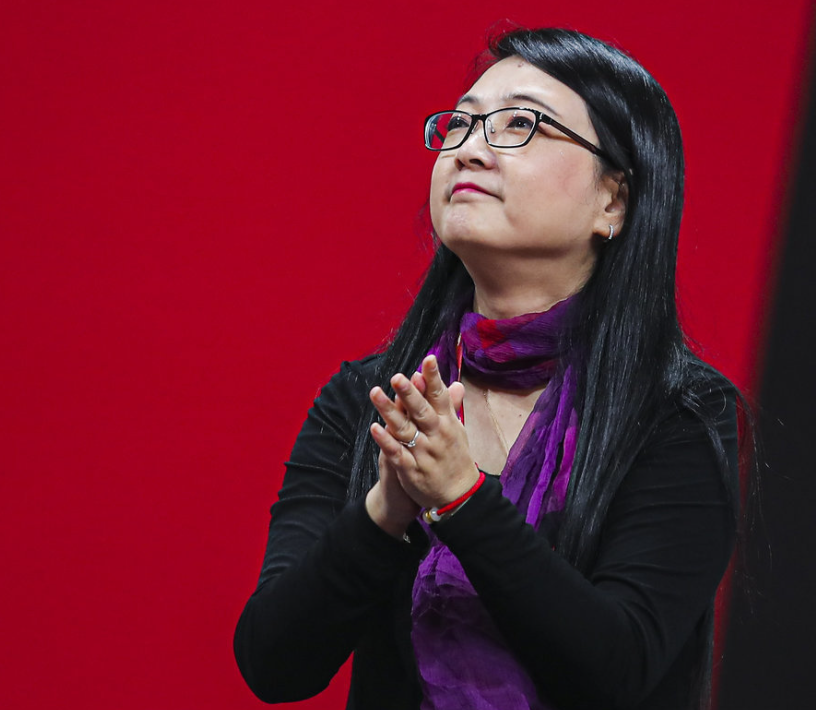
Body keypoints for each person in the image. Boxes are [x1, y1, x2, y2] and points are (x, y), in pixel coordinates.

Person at [234, 26, 746, 710]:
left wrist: (461, 500)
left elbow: (619, 669)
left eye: (520, 125)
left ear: (613, 201)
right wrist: (386, 509)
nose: (470, 148)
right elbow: (274, 664)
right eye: (461, 124)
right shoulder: (372, 401)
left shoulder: (676, 413)